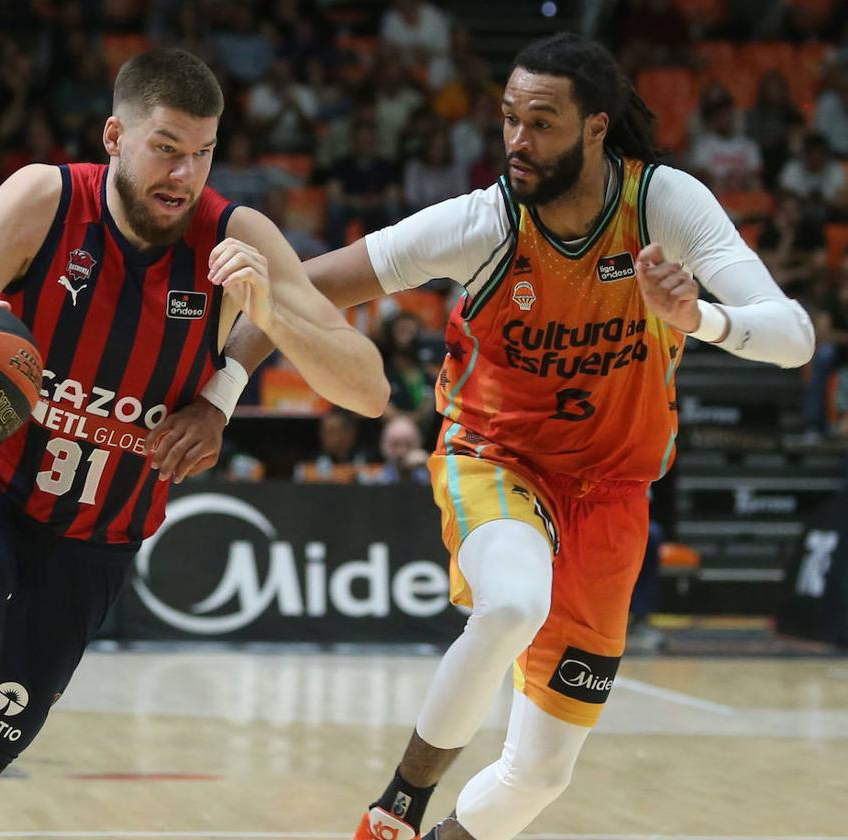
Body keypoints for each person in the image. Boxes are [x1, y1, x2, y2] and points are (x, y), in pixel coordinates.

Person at [222, 33, 814, 840]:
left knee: (539, 775)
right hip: (496, 459)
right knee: (511, 606)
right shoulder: (483, 221)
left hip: (611, 494)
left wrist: (696, 317)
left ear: (595, 129)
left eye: (540, 123)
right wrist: (218, 392)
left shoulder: (662, 204)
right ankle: (397, 804)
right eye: (507, 119)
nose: (516, 141)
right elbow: (301, 285)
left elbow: (793, 337)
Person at [0, 48, 387, 840]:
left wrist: (261, 324)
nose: (184, 173)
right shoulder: (44, 198)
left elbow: (368, 389)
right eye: (166, 147)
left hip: (98, 532)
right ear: (114, 134)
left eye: (202, 153)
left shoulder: (235, 238)